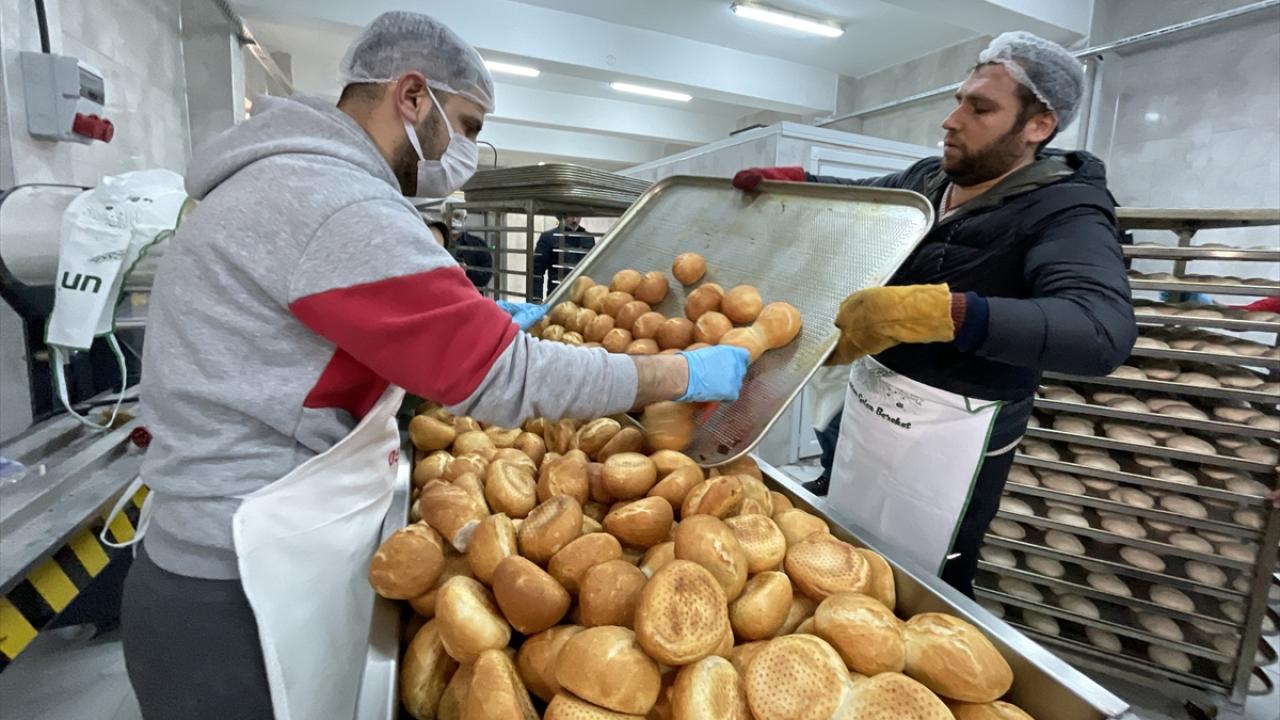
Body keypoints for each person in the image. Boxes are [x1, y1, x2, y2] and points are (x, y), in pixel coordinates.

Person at [119, 12, 748, 720]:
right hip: (233, 591)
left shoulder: (287, 180)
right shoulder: (332, 199)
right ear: (413, 97)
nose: (470, 150)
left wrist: (467, 319)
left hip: (221, 558)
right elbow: (506, 380)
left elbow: (332, 344)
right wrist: (678, 373)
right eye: (470, 124)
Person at [733, 31, 1137, 596]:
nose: (951, 120)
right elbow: (869, 201)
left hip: (958, 430)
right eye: (958, 100)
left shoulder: (1066, 209)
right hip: (876, 400)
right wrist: (801, 184)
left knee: (920, 584)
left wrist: (942, 313)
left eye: (980, 108)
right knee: (842, 550)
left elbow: (1099, 332)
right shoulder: (932, 178)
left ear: (1037, 126)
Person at [531, 214, 594, 301]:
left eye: (578, 215)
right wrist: (536, 300)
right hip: (557, 296)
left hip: (582, 296)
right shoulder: (548, 237)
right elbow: (537, 271)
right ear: (562, 214)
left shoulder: (589, 238)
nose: (575, 220)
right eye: (571, 215)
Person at [447, 208, 494, 288]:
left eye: (457, 216)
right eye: (447, 216)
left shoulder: (478, 245)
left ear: (464, 219)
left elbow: (486, 276)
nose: (452, 220)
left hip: (469, 295)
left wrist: (468, 271)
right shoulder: (437, 243)